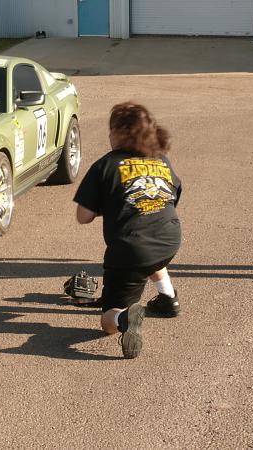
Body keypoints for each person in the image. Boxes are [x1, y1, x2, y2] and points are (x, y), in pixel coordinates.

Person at [73, 102, 182, 359]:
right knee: (150, 252)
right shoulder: (161, 160)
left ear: (121, 133)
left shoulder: (106, 165)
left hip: (130, 249)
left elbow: (83, 216)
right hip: (169, 239)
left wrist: (109, 205)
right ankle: (168, 298)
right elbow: (171, 199)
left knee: (106, 322)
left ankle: (124, 319)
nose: (108, 135)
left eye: (111, 130)